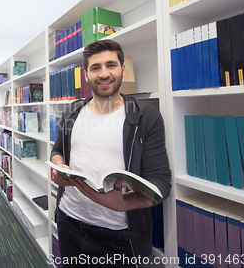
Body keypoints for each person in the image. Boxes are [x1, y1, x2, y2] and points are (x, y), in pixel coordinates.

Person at [50, 39, 171, 267]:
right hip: (69, 223)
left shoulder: (147, 118)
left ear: (123, 70)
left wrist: (123, 204)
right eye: (95, 67)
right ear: (86, 75)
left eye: (111, 65)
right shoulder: (72, 112)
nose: (104, 73)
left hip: (120, 238)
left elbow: (162, 184)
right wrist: (58, 166)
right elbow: (57, 150)